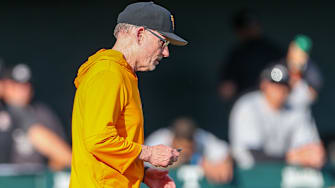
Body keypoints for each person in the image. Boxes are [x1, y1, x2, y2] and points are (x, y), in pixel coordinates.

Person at [69, 2, 188, 188]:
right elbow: (99, 140)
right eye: (162, 42)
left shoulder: (120, 72)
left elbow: (110, 148)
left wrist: (142, 173)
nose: (166, 53)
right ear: (140, 34)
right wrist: (149, 153)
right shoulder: (108, 72)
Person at [229, 64, 325, 169]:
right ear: (264, 85)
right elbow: (251, 156)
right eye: (274, 85)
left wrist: (311, 154)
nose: (279, 90)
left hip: (281, 174)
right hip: (248, 177)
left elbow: (307, 147)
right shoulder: (247, 106)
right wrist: (292, 157)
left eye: (283, 86)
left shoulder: (295, 109)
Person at [0, 63, 72, 170]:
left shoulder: (42, 113)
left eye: (26, 86)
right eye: (15, 85)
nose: (21, 91)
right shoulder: (4, 111)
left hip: (34, 178)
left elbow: (64, 157)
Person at [218, 8, 283, 101]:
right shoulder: (237, 54)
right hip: (247, 104)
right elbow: (226, 90)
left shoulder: (273, 51)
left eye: (253, 26)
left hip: (271, 104)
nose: (251, 30)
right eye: (247, 27)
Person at [145, 117, 233, 183]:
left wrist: (225, 163)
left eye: (189, 147)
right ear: (173, 140)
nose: (185, 151)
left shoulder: (201, 137)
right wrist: (199, 161)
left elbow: (224, 150)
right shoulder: (158, 140)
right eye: (181, 148)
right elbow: (143, 164)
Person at [279, 34, 323, 109]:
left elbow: (312, 96)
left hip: (298, 112)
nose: (298, 54)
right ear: (291, 48)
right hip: (276, 109)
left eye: (301, 52)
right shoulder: (280, 64)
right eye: (296, 50)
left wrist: (296, 73)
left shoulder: (312, 72)